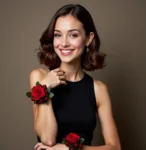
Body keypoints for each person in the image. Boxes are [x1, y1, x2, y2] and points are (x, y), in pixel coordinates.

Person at [29, 4, 121, 150]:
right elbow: (47, 140)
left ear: (88, 39)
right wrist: (45, 87)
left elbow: (115, 147)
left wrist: (71, 149)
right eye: (58, 35)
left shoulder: (98, 89)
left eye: (73, 35)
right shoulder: (39, 76)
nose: (64, 43)